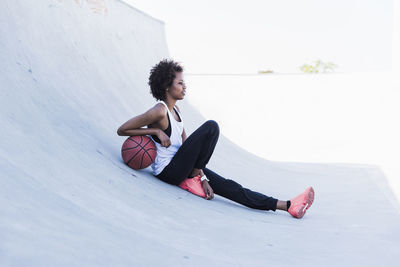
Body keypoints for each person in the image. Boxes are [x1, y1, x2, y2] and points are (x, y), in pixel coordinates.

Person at [117, 59, 314, 219]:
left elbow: (187, 145)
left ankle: (287, 206)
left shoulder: (176, 110)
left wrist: (202, 178)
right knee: (211, 127)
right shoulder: (159, 110)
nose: (185, 86)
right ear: (167, 87)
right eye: (180, 83)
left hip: (183, 165)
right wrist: (156, 132)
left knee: (230, 187)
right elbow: (123, 129)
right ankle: (191, 176)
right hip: (168, 170)